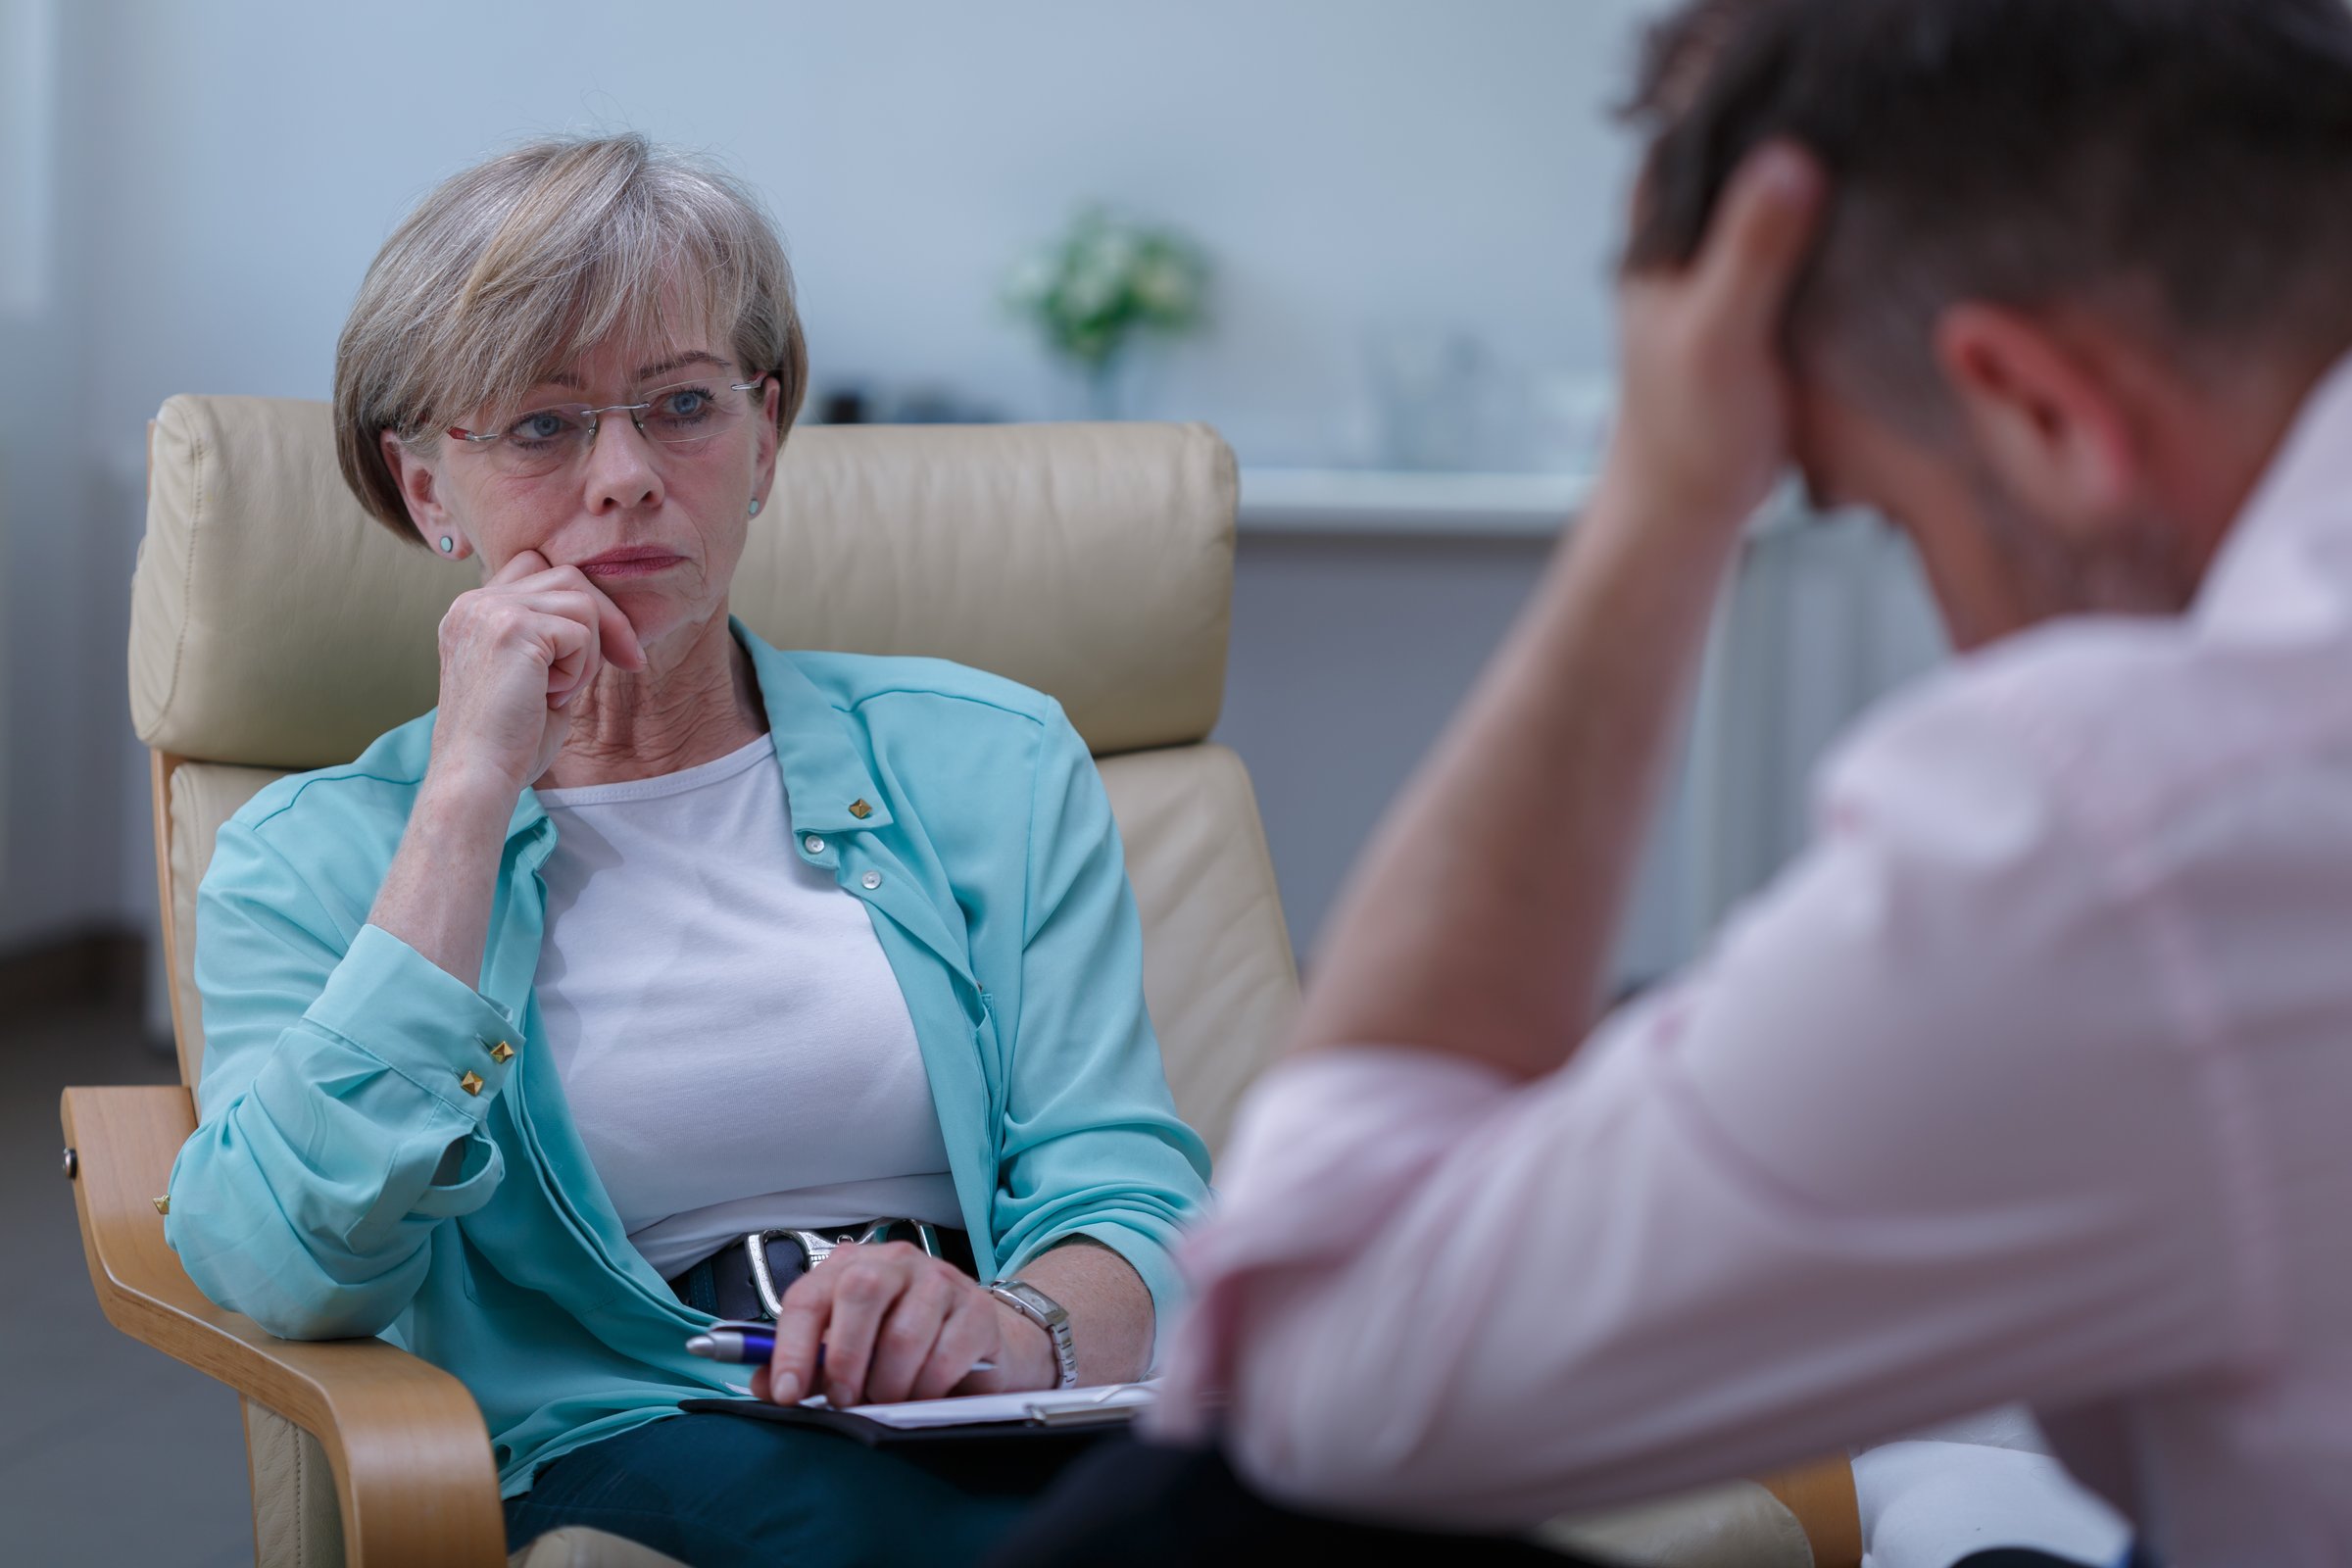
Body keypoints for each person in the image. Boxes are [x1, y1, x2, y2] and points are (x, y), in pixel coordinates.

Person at [1007, 2, 2352, 1565]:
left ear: (2043, 415)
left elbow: (1315, 1374)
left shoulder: (2150, 816)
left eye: (1887, 518)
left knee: (1204, 1529)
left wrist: (1662, 494)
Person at [162, 133, 1210, 1566]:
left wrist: (1017, 1327)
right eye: (541, 425)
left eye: (683, 407)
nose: (626, 478)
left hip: (1010, 1413)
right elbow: (281, 1269)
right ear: (424, 491)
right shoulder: (317, 853)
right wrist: (469, 797)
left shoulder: (992, 759)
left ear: (765, 435)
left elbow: (1124, 1186)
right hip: (647, 1438)